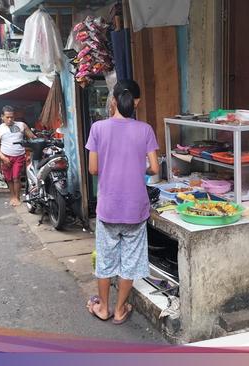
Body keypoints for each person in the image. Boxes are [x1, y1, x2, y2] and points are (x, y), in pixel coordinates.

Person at [85, 80, 159, 324]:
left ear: (113, 100)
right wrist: (139, 167)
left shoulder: (97, 128)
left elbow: (93, 168)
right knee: (130, 261)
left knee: (106, 260)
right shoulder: (145, 130)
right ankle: (119, 310)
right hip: (135, 209)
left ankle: (103, 308)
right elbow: (155, 168)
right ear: (136, 102)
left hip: (108, 207)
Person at [0, 105, 35, 206]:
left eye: (12, 117)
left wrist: (38, 141)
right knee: (9, 178)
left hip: (19, 156)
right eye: (7, 117)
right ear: (2, 117)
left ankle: (17, 197)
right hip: (5, 157)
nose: (10, 119)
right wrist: (3, 157)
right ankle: (12, 196)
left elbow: (32, 137)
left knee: (16, 177)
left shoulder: (22, 125)